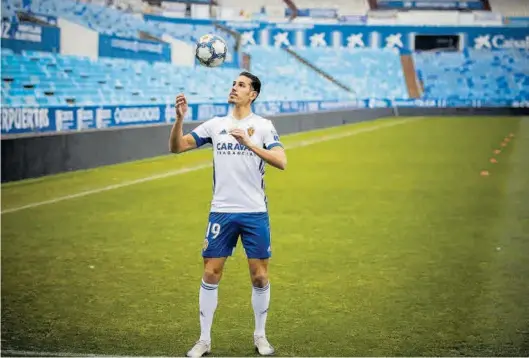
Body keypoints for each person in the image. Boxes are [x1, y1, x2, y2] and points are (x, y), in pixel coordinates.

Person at [169, 71, 287, 357]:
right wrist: (180, 119)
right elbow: (177, 147)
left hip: (254, 211)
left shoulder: (262, 126)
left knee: (259, 277)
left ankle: (260, 335)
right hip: (221, 212)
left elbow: (282, 161)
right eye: (234, 84)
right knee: (211, 273)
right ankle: (204, 340)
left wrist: (249, 144)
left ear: (253, 94)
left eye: (242, 85)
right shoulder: (215, 124)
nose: (235, 88)